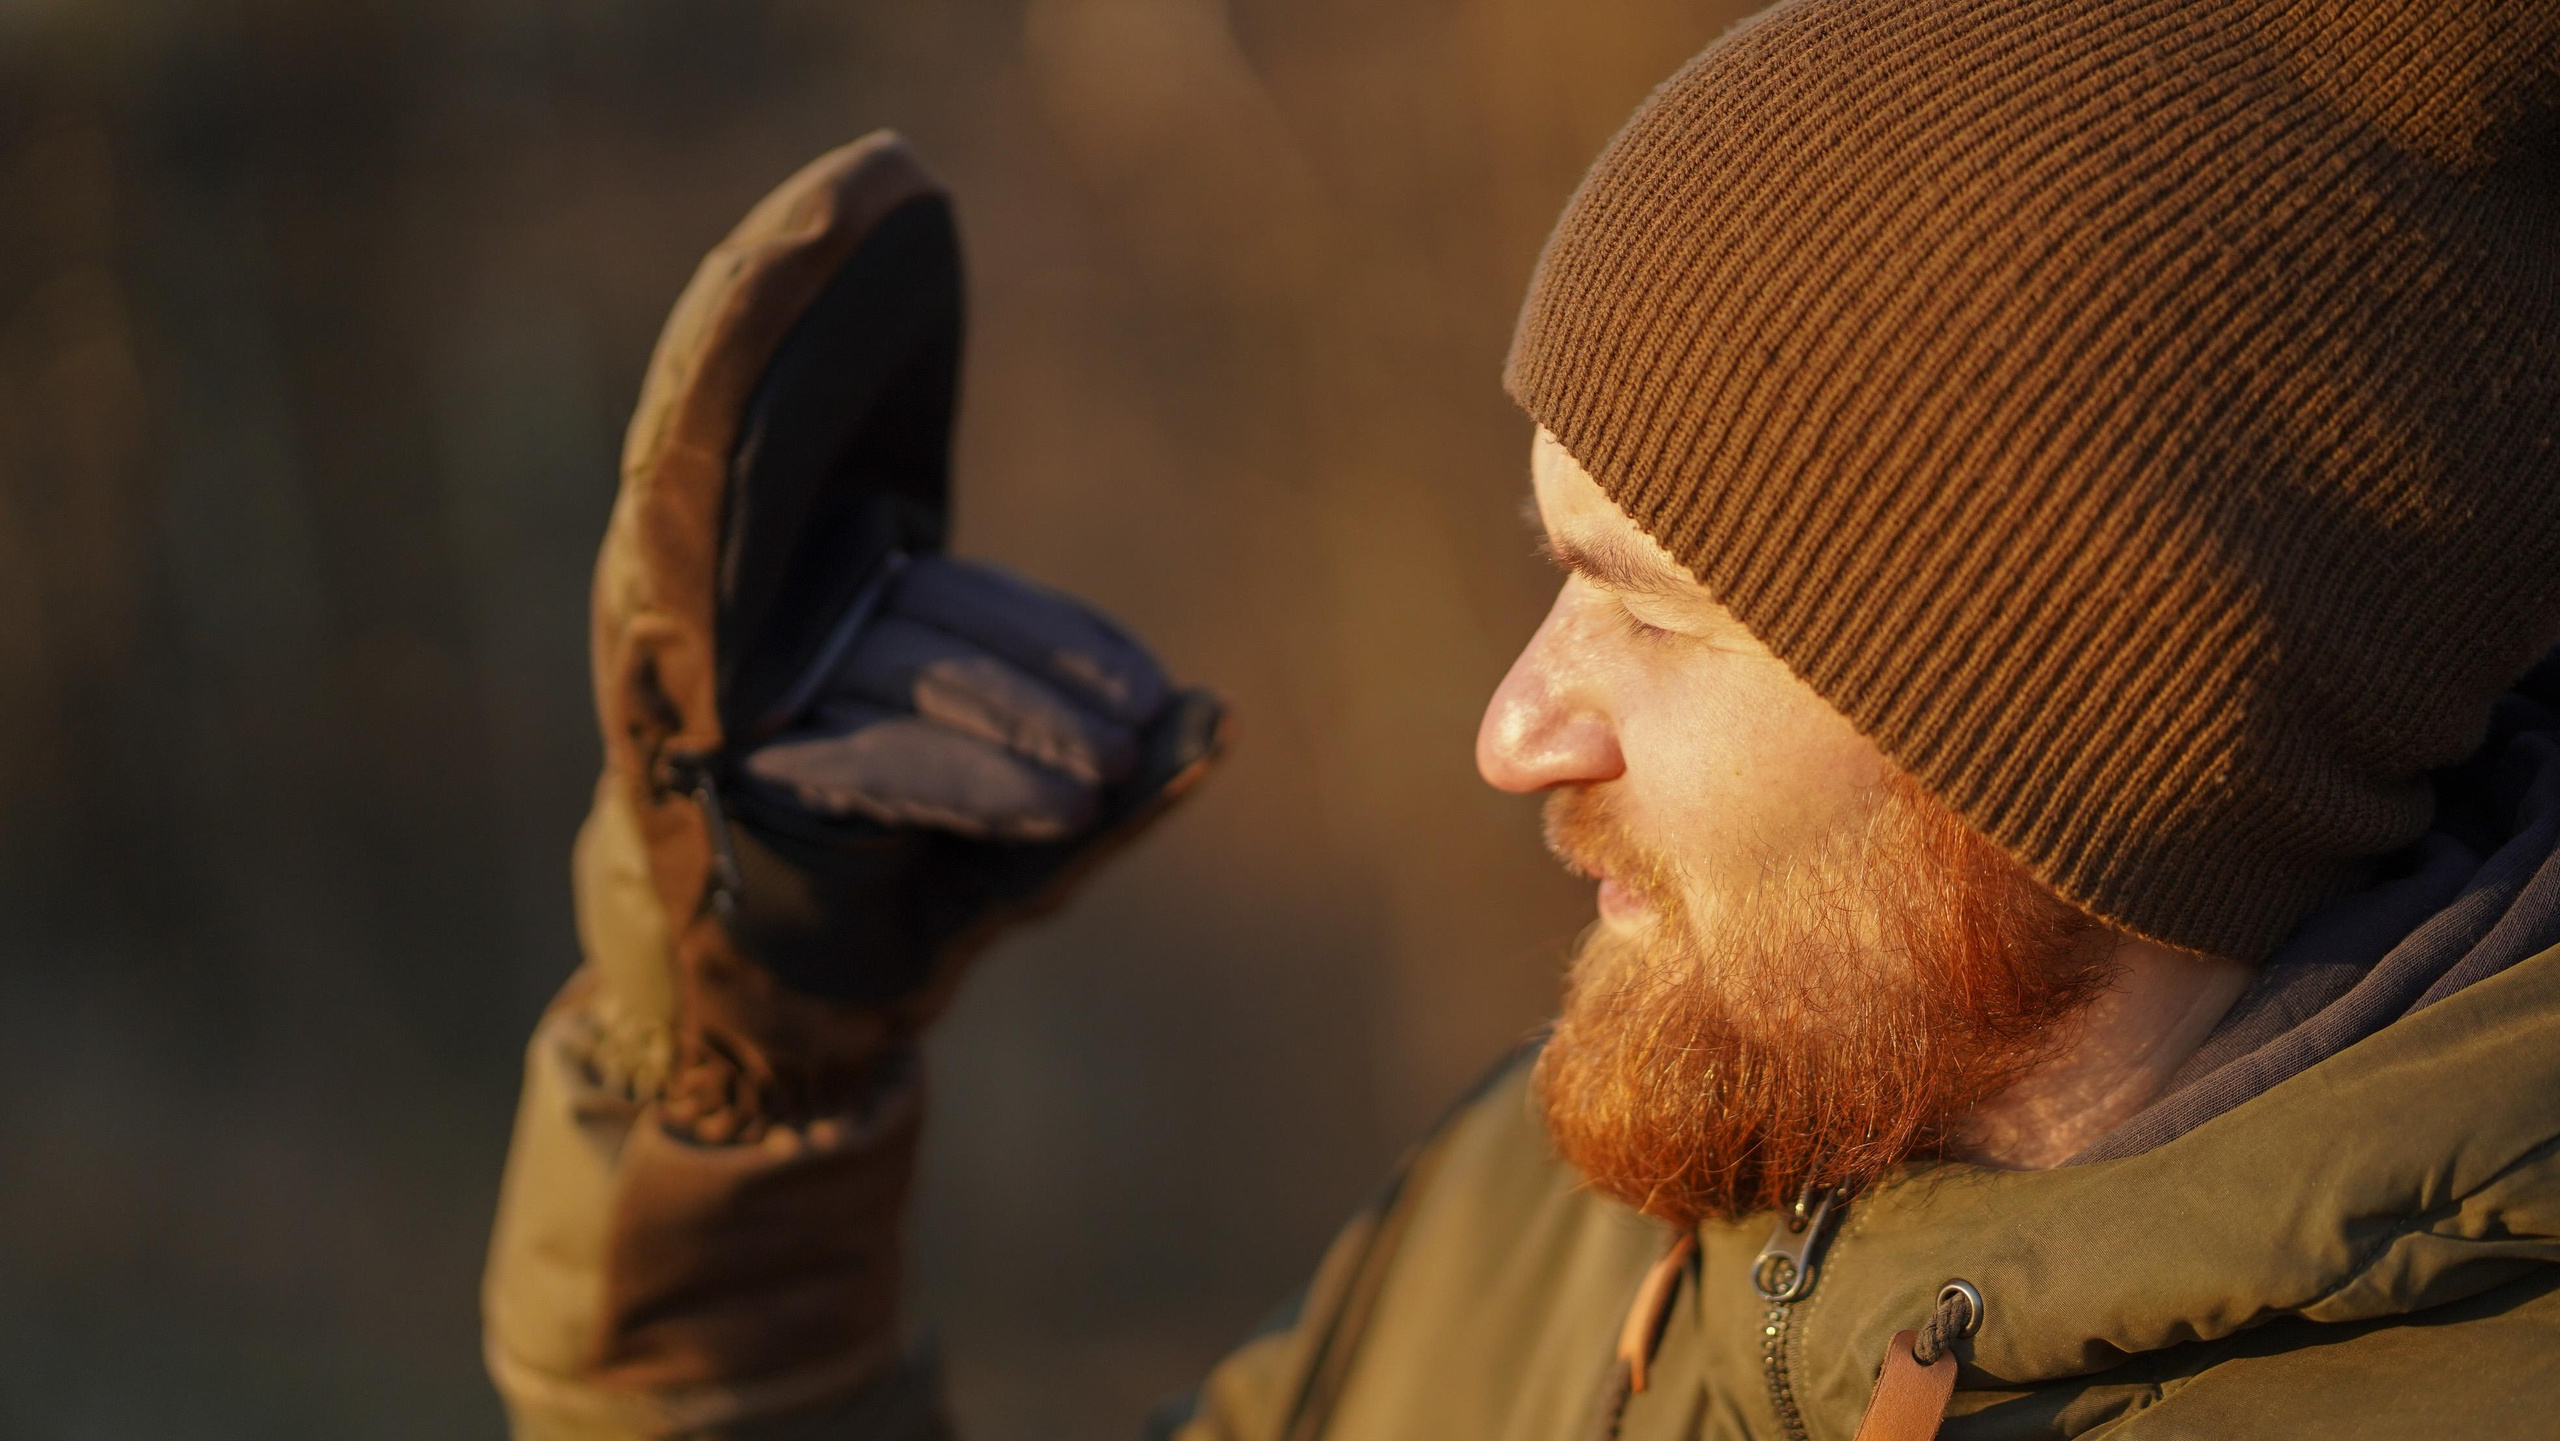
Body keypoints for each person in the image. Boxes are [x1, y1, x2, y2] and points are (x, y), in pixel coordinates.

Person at [481, 0, 2560, 1436]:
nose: (1512, 726)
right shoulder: (1579, 1218)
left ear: (2090, 719)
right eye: (1553, 568)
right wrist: (744, 1086)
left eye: (1646, 613)